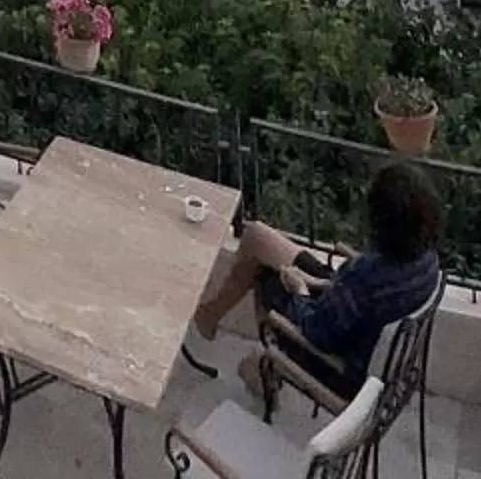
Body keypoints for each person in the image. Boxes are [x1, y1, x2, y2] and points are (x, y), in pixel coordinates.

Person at [188, 162, 443, 401]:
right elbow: (359, 296)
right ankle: (210, 317)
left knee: (264, 275)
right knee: (256, 236)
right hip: (349, 314)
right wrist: (319, 282)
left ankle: (268, 368)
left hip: (339, 367)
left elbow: (317, 332)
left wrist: (299, 289)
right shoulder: (427, 259)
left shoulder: (365, 276)